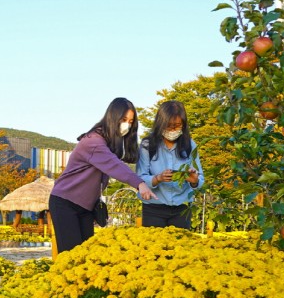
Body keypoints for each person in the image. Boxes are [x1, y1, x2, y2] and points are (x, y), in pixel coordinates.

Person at [49, 98, 156, 253]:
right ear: (112, 118)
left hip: (85, 207)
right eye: (124, 119)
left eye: (131, 121)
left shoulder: (111, 144)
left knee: (87, 257)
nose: (127, 124)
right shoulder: (94, 141)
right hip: (65, 202)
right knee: (71, 257)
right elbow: (114, 165)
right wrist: (139, 183)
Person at [136, 101, 204, 229]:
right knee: (154, 247)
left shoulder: (190, 145)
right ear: (160, 123)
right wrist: (158, 178)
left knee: (180, 246)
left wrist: (194, 181)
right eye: (169, 126)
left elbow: (200, 178)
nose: (173, 130)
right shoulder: (147, 145)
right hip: (153, 207)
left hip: (182, 208)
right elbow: (139, 178)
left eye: (177, 126)